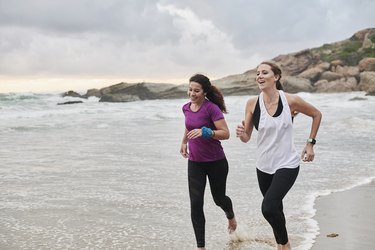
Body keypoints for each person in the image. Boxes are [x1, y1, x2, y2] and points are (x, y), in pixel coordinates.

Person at [236, 61, 322, 250]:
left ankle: (285, 245)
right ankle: (281, 245)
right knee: (276, 209)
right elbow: (247, 137)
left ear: (276, 77)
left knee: (268, 207)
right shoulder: (252, 103)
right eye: (257, 73)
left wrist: (310, 143)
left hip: (287, 164)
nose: (259, 76)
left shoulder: (291, 101)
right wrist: (241, 133)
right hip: (263, 165)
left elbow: (317, 114)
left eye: (264, 72)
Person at [180, 73, 237, 249]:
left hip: (216, 162)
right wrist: (184, 142)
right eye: (190, 89)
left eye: (196, 90)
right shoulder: (186, 108)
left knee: (219, 199)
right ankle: (201, 247)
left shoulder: (211, 108)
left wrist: (207, 132)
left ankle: (230, 215)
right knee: (196, 203)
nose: (192, 93)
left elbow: (225, 133)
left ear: (204, 92)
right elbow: (189, 125)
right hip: (195, 163)